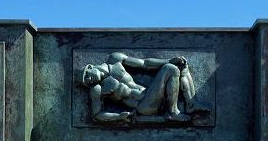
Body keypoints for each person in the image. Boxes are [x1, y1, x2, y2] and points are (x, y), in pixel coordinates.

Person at [80, 52, 209, 123]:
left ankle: (191, 103)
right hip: (144, 106)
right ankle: (173, 112)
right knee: (170, 69)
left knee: (174, 67)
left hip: (149, 93)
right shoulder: (97, 89)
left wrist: (169, 60)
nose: (88, 80)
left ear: (90, 67)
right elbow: (97, 115)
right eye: (86, 81)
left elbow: (145, 63)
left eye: (87, 76)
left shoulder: (115, 59)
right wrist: (119, 116)